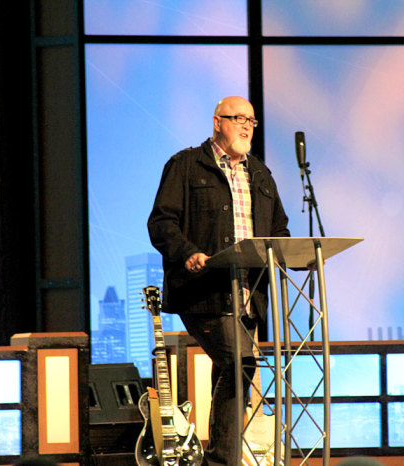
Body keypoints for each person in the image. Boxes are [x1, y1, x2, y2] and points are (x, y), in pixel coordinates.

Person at [147, 96, 290, 465]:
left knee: (235, 368)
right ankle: (222, 461)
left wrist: (293, 252)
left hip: (249, 295)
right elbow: (162, 223)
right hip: (204, 291)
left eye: (251, 121)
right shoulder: (186, 165)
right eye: (237, 118)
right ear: (217, 122)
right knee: (239, 362)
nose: (246, 126)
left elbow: (280, 228)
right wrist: (187, 253)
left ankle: (220, 457)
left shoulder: (260, 173)